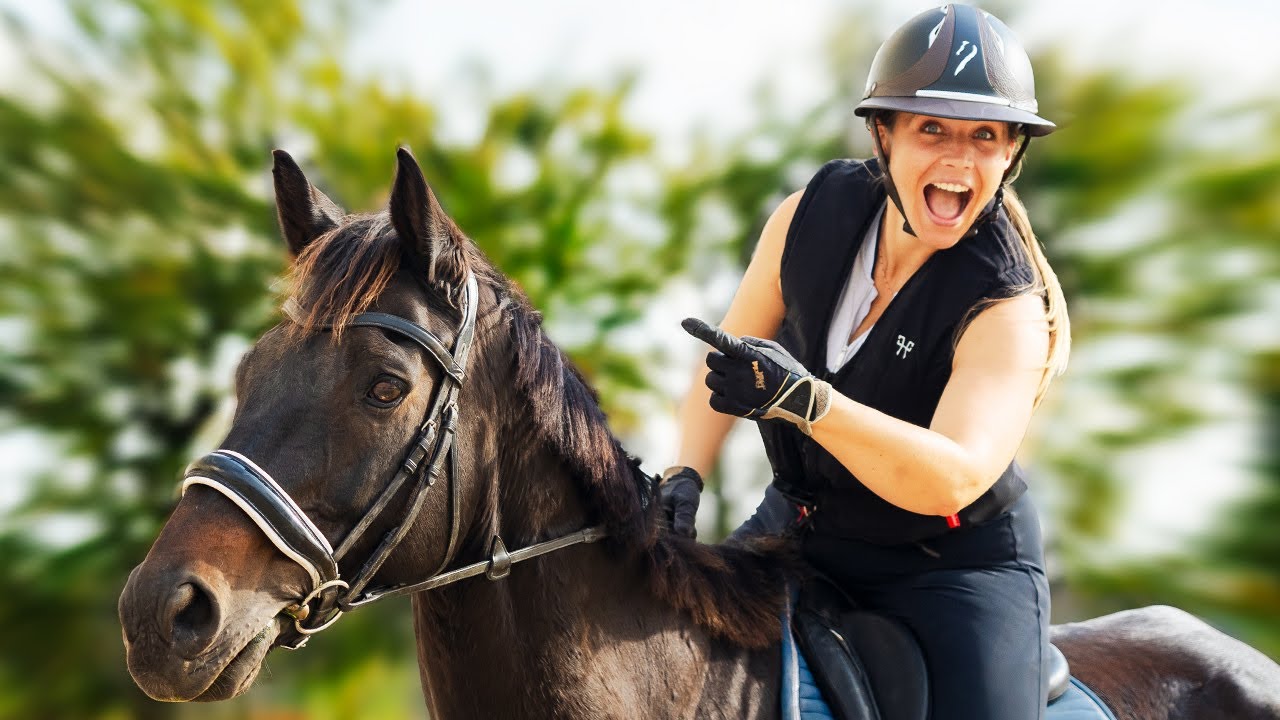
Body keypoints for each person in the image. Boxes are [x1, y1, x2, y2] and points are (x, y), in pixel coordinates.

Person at [661, 5, 1071, 720]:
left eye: (984, 138)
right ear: (883, 134)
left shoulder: (1009, 306)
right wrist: (684, 472)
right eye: (931, 129)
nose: (957, 159)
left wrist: (808, 403)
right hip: (799, 531)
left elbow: (952, 476)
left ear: (1011, 155)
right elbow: (725, 355)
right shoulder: (807, 217)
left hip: (950, 567)